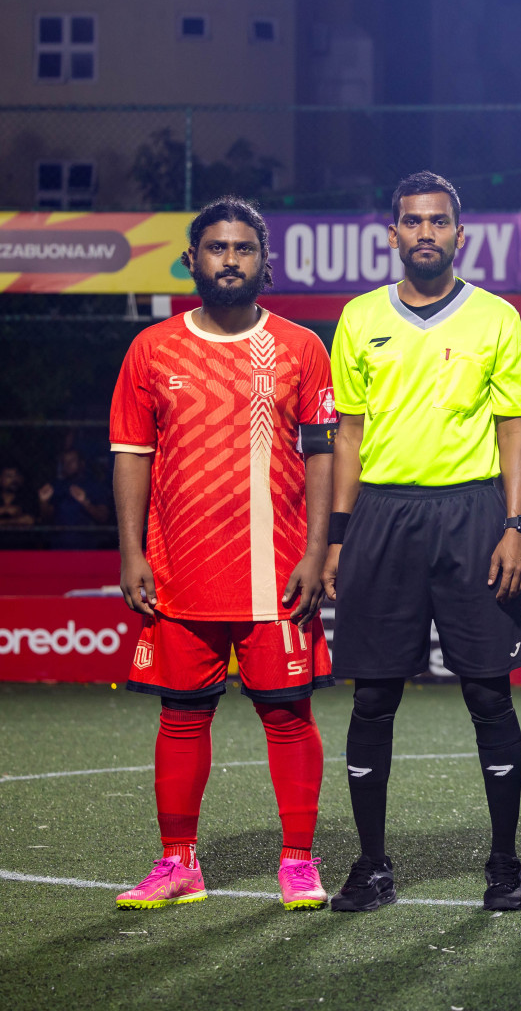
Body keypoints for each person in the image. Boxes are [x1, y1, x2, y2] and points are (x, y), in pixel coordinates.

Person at [109, 197, 335, 912]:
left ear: (264, 262)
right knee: (181, 714)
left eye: (243, 248)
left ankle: (298, 861)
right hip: (178, 569)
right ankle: (178, 863)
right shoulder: (152, 349)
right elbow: (130, 455)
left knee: (288, 714)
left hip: (277, 570)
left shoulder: (300, 347)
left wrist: (319, 549)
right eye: (216, 248)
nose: (230, 259)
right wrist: (131, 552)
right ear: (192, 260)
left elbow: (324, 454)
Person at [323, 172, 521, 913]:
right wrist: (339, 539)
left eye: (438, 222)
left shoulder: (497, 318)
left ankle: (504, 864)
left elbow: (515, 428)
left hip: (473, 513)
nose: (424, 234)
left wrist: (515, 524)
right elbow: (347, 434)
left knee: (487, 691)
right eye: (411, 222)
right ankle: (373, 865)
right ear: (392, 234)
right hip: (383, 514)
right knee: (374, 694)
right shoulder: (357, 318)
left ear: (458, 235)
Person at [38, 447, 112, 548]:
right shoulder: (56, 486)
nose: (67, 465)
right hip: (59, 545)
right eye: (65, 461)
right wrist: (43, 502)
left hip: (87, 545)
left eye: (72, 461)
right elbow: (46, 519)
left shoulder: (95, 486)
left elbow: (103, 518)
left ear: (81, 463)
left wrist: (85, 502)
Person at [0, 463, 38, 531]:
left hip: (21, 540)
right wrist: (4, 510)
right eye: (9, 476)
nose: (14, 480)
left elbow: (29, 520)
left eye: (17, 475)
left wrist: (3, 522)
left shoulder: (28, 497)